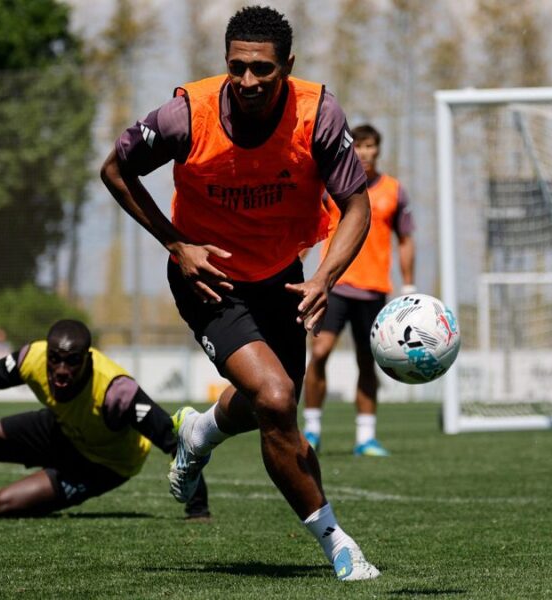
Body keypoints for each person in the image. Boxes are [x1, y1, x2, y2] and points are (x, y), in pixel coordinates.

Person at [100, 5, 379, 581]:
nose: (248, 81)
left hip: (284, 277)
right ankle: (337, 544)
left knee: (272, 405)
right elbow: (116, 171)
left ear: (288, 66)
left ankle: (198, 431)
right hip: (209, 281)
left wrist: (325, 276)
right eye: (237, 68)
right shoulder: (184, 117)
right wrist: (177, 245)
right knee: (276, 400)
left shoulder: (318, 116)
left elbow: (357, 206)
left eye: (263, 70)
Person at [0, 319, 209, 520]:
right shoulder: (32, 358)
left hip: (103, 464)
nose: (61, 370)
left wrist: (198, 510)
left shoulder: (115, 391)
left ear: (87, 359)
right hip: (61, 430)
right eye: (56, 360)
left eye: (71, 362)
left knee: (4, 506)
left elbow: (176, 441)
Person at [302, 124, 415, 457]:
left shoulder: (394, 190)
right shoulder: (332, 186)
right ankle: (312, 430)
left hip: (374, 290)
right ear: (352, 150)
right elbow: (310, 227)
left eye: (371, 146)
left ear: (379, 150)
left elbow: (406, 239)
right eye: (360, 146)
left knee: (368, 362)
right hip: (334, 285)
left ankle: (366, 437)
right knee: (319, 354)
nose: (366, 153)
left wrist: (409, 284)